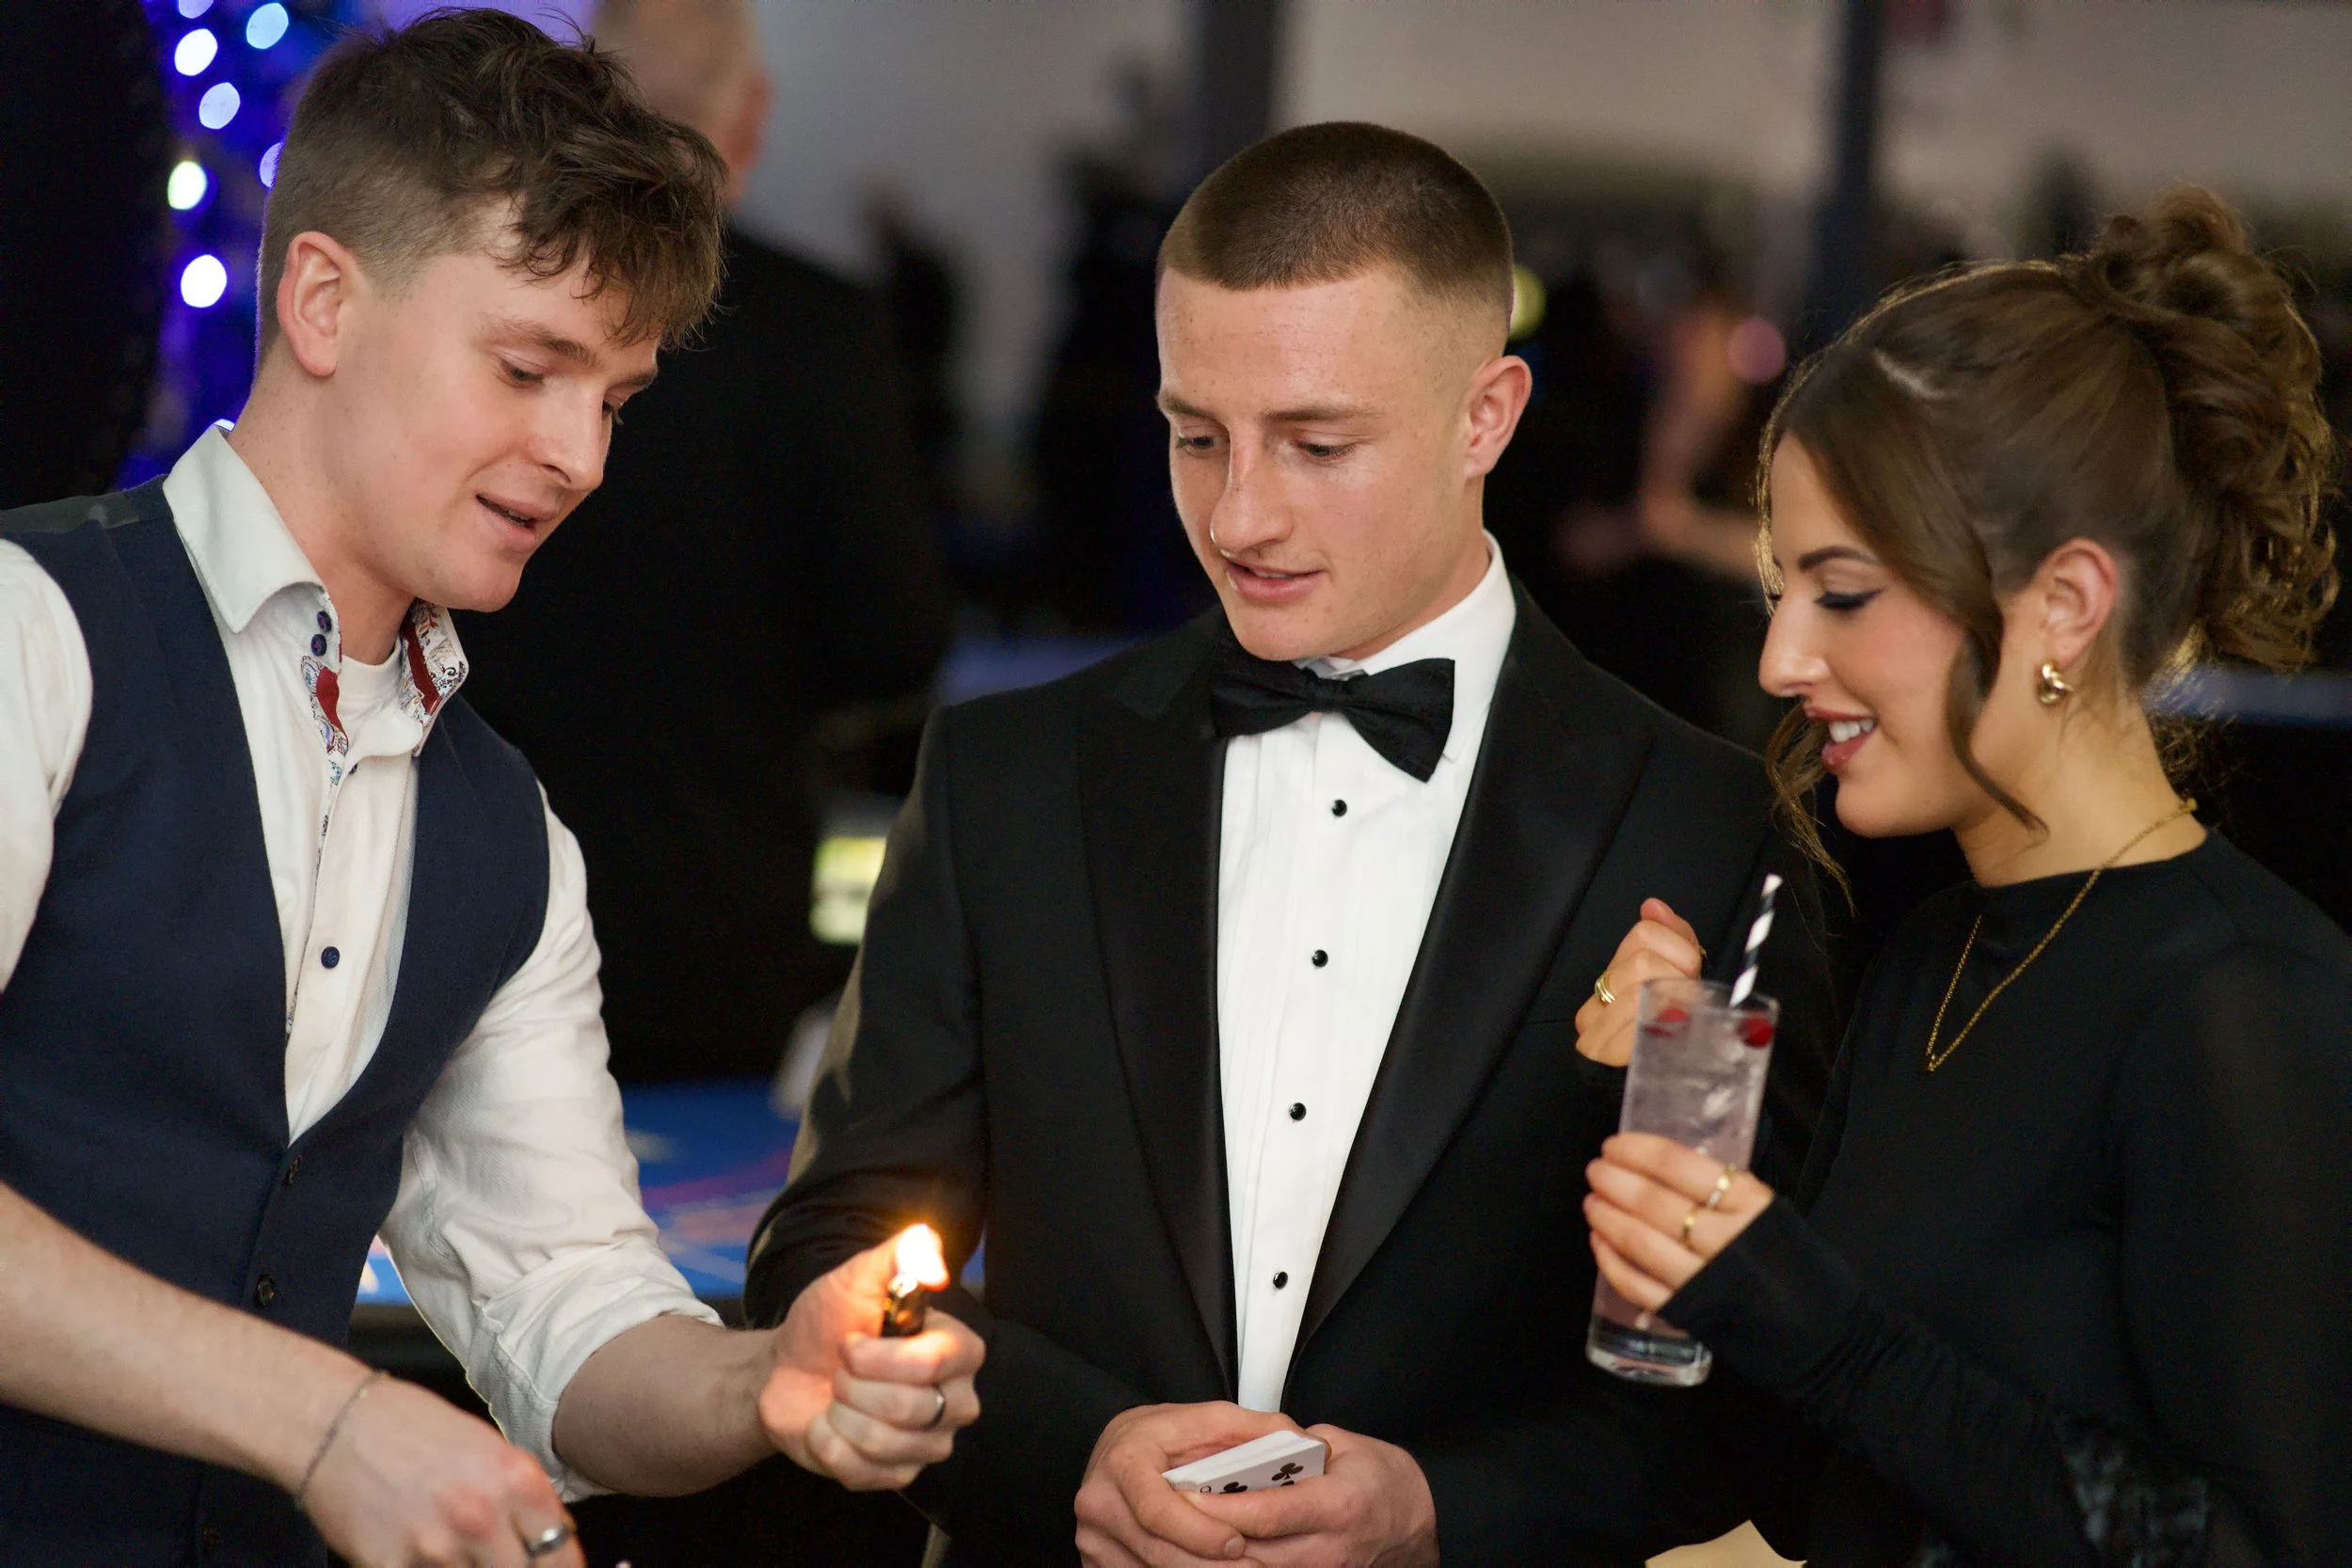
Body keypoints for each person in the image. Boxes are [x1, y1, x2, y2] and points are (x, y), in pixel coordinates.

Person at [746, 122, 1837, 1567]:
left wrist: (1441, 1509)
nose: (1240, 513)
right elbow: (830, 1243)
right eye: (1197, 435)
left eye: (1317, 444)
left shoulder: (1708, 825)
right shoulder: (1008, 773)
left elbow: (1749, 1379)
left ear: (1486, 415)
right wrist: (1071, 1450)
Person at [0, 14, 979, 1565]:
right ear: (321, 296)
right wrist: (321, 1419)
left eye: (616, 397)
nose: (581, 453)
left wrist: (762, 1378)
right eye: (530, 367)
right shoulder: (31, 630)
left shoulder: (506, 832)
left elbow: (562, 1301)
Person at [1581, 188, 2352, 1565]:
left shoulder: (2244, 1003)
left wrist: (1803, 1307)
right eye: (1781, 590)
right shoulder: (1928, 961)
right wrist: (1695, 1196)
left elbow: (2259, 1545)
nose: (1780, 659)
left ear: (2061, 603)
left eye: (1847, 592)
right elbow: (1822, 1488)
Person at [458, 0, 954, 1083]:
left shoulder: (483, 309)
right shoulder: (816, 329)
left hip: (469, 896)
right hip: (715, 907)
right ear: (752, 116)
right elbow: (895, 636)